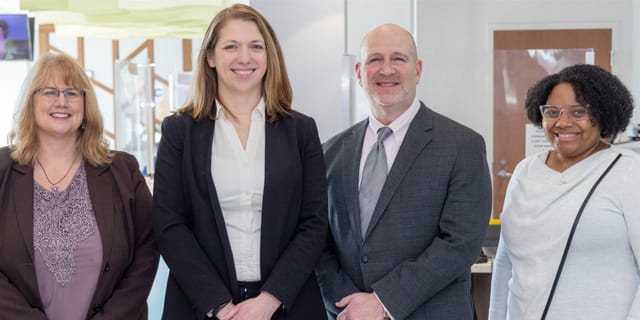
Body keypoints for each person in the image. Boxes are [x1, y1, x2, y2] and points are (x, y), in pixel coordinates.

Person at [153, 4, 327, 320]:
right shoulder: (179, 131)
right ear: (210, 57)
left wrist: (270, 300)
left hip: (288, 302)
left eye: (255, 47)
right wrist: (219, 305)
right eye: (231, 46)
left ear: (268, 55)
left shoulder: (301, 130)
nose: (244, 58)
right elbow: (169, 225)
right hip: (201, 304)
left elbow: (314, 224)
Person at [316, 24, 492, 320]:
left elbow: (460, 243)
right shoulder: (330, 152)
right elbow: (319, 243)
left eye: (398, 58)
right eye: (375, 60)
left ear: (417, 70)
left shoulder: (463, 145)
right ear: (359, 72)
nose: (387, 70)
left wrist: (382, 302)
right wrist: (346, 305)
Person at [0, 52, 159, 320]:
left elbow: (147, 253)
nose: (62, 101)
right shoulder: (2, 169)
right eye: (49, 91)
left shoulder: (123, 170)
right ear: (30, 101)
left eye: (73, 93)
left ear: (86, 105)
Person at [488, 64, 640, 319]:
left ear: (602, 115)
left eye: (578, 112)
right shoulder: (525, 170)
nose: (563, 122)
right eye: (552, 112)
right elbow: (506, 261)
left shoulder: (629, 172)